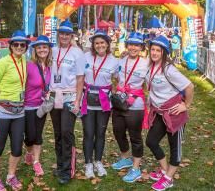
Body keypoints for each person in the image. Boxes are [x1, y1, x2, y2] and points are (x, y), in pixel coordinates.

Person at [0, 30, 30, 191]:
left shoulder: (25, 60)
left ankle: (10, 176)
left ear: (26, 47)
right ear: (11, 46)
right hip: (0, 112)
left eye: (23, 45)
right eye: (16, 44)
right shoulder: (3, 62)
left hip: (19, 112)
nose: (19, 47)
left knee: (17, 147)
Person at [145, 36, 194, 191]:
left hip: (174, 114)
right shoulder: (150, 66)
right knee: (151, 141)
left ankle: (169, 178)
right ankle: (165, 171)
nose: (154, 53)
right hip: (160, 113)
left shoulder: (168, 69)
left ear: (164, 52)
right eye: (152, 49)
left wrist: (185, 105)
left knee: (175, 148)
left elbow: (190, 86)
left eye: (158, 50)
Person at [49, 20, 86, 184]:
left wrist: (78, 100)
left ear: (72, 35)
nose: (64, 36)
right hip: (54, 96)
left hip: (70, 96)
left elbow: (80, 78)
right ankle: (60, 166)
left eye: (67, 34)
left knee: (66, 132)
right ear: (58, 34)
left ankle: (67, 170)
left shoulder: (77, 53)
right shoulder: (52, 50)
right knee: (58, 133)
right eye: (61, 33)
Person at [111, 32, 149, 183]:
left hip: (136, 104)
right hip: (120, 102)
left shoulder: (146, 63)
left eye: (137, 45)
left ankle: (136, 168)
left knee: (135, 136)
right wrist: (116, 88)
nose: (133, 47)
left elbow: (152, 82)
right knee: (118, 131)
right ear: (127, 45)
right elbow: (114, 76)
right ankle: (126, 157)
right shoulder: (120, 61)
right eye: (131, 44)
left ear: (141, 47)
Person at [81, 30, 119, 178]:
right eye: (96, 43)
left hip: (104, 101)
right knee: (89, 133)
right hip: (88, 100)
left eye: (102, 42)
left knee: (101, 133)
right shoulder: (85, 57)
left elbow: (117, 79)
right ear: (93, 45)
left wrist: (115, 91)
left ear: (107, 44)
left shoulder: (114, 61)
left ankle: (98, 161)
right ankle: (88, 163)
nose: (99, 45)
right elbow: (79, 76)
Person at [23, 35, 53, 176]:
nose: (42, 50)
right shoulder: (29, 65)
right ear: (35, 49)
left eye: (44, 47)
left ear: (48, 49)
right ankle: (28, 151)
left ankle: (36, 162)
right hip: (28, 105)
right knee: (30, 136)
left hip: (42, 106)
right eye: (39, 47)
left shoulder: (50, 66)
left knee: (38, 135)